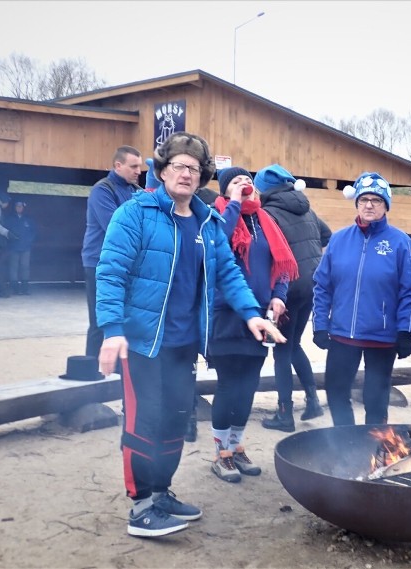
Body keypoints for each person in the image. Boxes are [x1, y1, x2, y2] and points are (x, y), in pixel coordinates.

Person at [96, 132, 285, 538]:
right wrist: (112, 330)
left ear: (202, 178)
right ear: (161, 171)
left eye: (194, 169)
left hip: (184, 343)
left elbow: (228, 273)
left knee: (176, 418)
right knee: (144, 421)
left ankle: (161, 492)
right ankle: (141, 505)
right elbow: (110, 272)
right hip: (143, 341)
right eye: (178, 166)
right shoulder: (135, 213)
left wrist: (252, 314)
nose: (185, 173)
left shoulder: (208, 222)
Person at [206, 166, 298, 482]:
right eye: (235, 181)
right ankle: (221, 454)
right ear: (223, 190)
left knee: (248, 387)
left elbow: (282, 265)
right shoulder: (214, 216)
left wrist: (279, 296)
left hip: (260, 318)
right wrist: (232, 203)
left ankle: (236, 446)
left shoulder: (265, 221)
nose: (244, 183)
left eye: (247, 179)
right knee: (229, 386)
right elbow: (218, 244)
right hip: (225, 315)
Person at [312, 172, 411, 426]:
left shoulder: (400, 242)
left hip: (381, 337)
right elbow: (322, 286)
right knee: (336, 392)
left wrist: (406, 331)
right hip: (342, 334)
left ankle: (375, 450)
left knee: (375, 399)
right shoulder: (339, 240)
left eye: (376, 200)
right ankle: (346, 447)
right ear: (357, 203)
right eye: (364, 200)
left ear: (386, 206)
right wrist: (320, 325)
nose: (369, 205)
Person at [256, 164, 333, 432]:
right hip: (312, 284)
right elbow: (327, 235)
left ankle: (284, 415)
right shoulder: (307, 209)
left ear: (263, 189)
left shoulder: (268, 213)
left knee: (281, 351)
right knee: (293, 344)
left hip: (287, 287)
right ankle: (313, 401)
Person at [82, 145, 142, 359]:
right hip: (99, 262)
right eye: (133, 166)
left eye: (140, 167)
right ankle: (90, 375)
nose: (138, 171)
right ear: (118, 165)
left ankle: (118, 372)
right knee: (100, 321)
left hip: (126, 263)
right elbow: (114, 228)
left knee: (123, 320)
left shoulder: (135, 191)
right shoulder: (102, 190)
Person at [3, 200, 37, 295]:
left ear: (23, 207)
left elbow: (34, 232)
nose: (19, 208)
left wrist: (30, 240)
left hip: (26, 247)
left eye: (21, 206)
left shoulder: (28, 220)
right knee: (13, 267)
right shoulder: (9, 219)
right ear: (14, 207)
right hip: (13, 247)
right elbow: (5, 231)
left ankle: (25, 289)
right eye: (17, 206)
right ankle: (15, 289)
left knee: (25, 267)